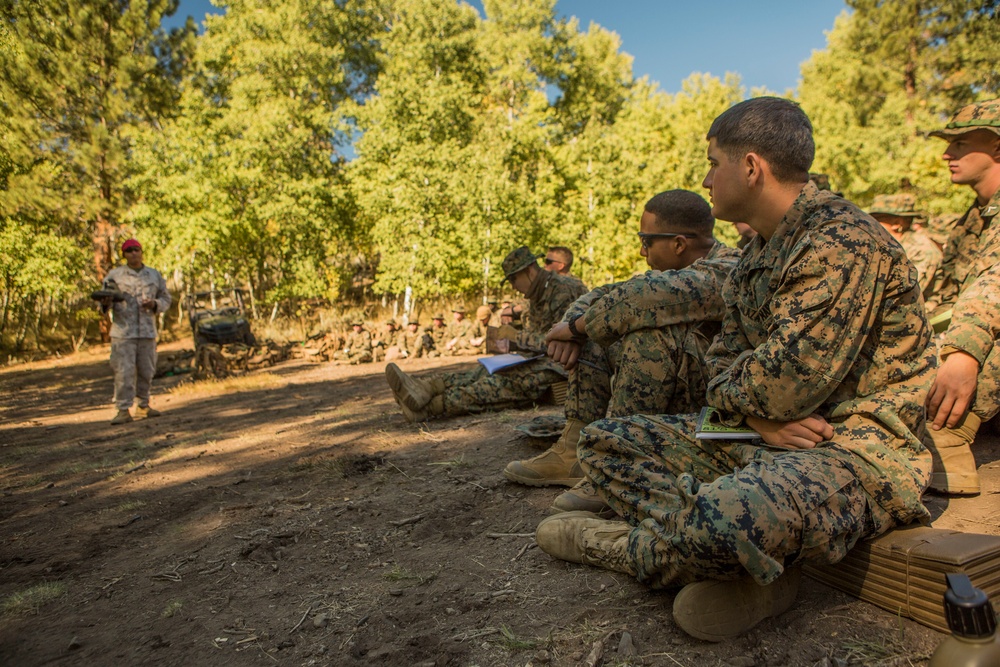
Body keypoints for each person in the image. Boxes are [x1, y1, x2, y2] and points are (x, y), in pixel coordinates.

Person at [534, 97, 937, 642]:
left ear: (750, 167)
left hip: (851, 449)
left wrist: (758, 405)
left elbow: (783, 383)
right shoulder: (755, 256)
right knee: (605, 442)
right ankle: (749, 562)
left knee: (730, 515)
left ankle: (623, 546)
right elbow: (721, 369)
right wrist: (759, 420)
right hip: (762, 434)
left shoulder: (842, 241)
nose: (704, 178)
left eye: (712, 162)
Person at [504, 190, 741, 500]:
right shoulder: (670, 271)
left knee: (643, 333)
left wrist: (578, 326)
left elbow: (642, 297)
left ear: (679, 243)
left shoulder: (729, 267)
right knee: (601, 329)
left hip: (714, 403)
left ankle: (617, 462)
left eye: (646, 241)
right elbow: (606, 294)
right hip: (679, 390)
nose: (642, 252)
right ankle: (574, 452)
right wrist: (576, 328)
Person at [384, 246, 587, 421]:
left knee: (505, 384)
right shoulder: (539, 293)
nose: (512, 286)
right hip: (545, 360)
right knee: (484, 371)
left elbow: (561, 340)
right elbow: (541, 339)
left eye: (513, 279)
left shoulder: (563, 290)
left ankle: (430, 407)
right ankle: (427, 388)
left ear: (529, 271)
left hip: (566, 365)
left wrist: (517, 337)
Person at [922, 98, 1000, 496]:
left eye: (962, 143)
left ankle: (948, 436)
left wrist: (962, 354)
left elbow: (993, 286)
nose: (947, 153)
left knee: (974, 336)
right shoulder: (976, 215)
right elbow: (948, 296)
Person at [99, 239, 172, 425]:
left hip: (147, 331)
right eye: (129, 251)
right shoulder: (115, 276)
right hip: (123, 332)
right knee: (123, 371)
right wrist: (106, 302)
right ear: (124, 254)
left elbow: (165, 298)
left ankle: (143, 405)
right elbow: (102, 302)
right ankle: (123, 409)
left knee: (147, 370)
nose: (133, 253)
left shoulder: (153, 275)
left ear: (141, 252)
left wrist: (155, 304)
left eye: (136, 250)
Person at [868, 194, 942, 300]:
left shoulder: (921, 249)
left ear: (897, 223)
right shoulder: (887, 245)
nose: (870, 224)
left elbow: (905, 292)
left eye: (877, 219)